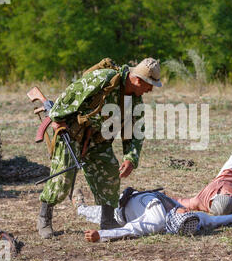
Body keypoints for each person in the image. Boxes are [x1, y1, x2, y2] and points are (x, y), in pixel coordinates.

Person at [37, 58, 162, 239]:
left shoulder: (134, 102)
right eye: (149, 85)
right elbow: (71, 93)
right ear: (137, 80)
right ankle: (44, 218)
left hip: (98, 140)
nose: (150, 90)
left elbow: (135, 132)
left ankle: (108, 220)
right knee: (63, 178)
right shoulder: (104, 79)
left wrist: (130, 158)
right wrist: (57, 119)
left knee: (110, 173)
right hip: (72, 132)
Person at [79, 189, 232, 242]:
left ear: (176, 219)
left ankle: (78, 203)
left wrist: (100, 235)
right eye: (189, 213)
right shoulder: (190, 217)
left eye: (186, 213)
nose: (189, 211)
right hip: (133, 194)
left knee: (87, 211)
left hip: (118, 212)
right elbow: (211, 220)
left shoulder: (156, 220)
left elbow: (129, 229)